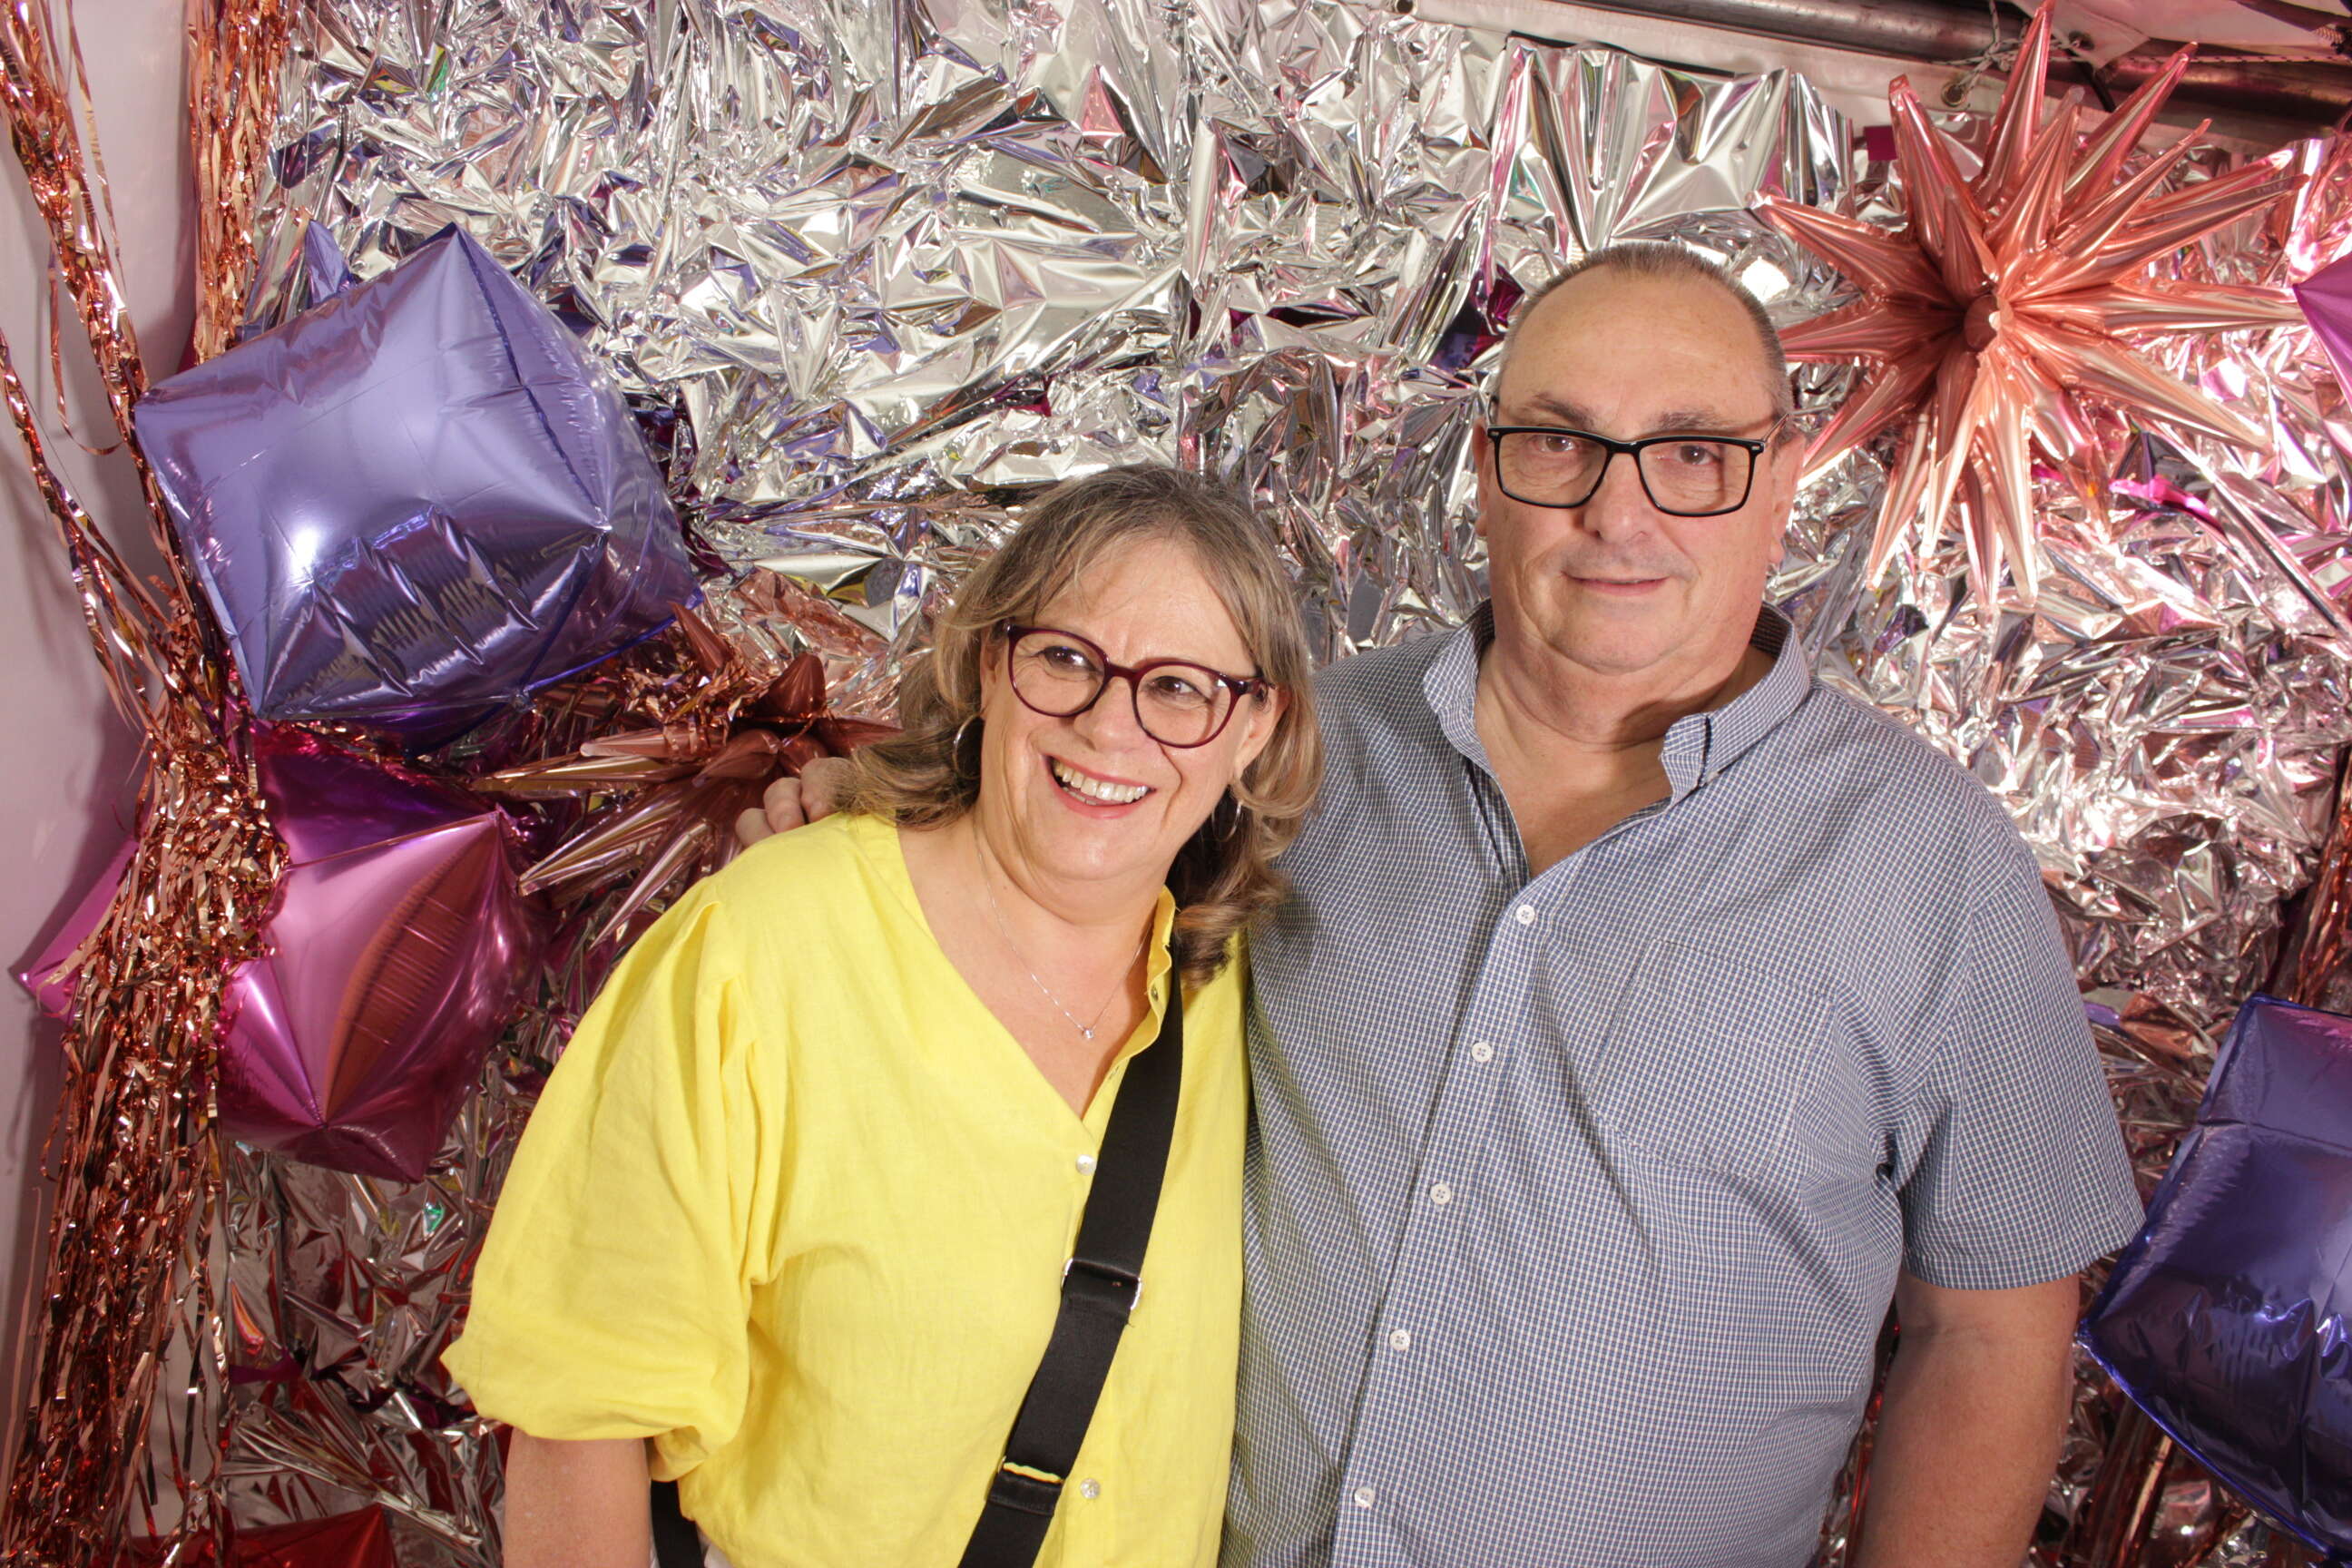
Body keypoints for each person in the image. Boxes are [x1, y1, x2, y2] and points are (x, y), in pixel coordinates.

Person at [750, 242, 2142, 1568]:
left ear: (1782, 480)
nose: (1620, 514)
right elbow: (1051, 855)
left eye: (1693, 456)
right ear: (1487, 471)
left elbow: (1991, 1334)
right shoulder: (1293, 751)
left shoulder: (1929, 861)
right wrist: (879, 828)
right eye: (1560, 445)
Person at [444, 463, 1320, 1568]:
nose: (1111, 727)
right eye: (1065, 658)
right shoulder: (761, 949)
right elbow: (580, 1419)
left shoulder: (1247, 992)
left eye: (1181, 688)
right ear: (990, 661)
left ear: (1254, 729)